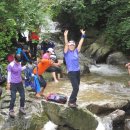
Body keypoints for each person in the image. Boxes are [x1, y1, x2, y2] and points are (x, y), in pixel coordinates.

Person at [64, 29, 86, 108]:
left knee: (77, 87)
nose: (71, 46)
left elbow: (80, 43)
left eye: (73, 45)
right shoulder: (66, 53)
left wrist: (83, 35)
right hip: (71, 72)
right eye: (70, 45)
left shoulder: (76, 51)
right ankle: (70, 102)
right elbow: (66, 44)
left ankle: (74, 101)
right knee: (75, 88)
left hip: (77, 72)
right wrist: (65, 36)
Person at [7, 53, 26, 118]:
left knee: (23, 96)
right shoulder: (10, 65)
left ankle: (21, 107)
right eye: (17, 61)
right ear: (14, 58)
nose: (18, 62)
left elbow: (19, 69)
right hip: (13, 83)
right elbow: (9, 75)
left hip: (20, 82)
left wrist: (26, 67)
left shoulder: (19, 63)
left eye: (19, 61)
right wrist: (8, 84)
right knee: (13, 97)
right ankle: (11, 110)